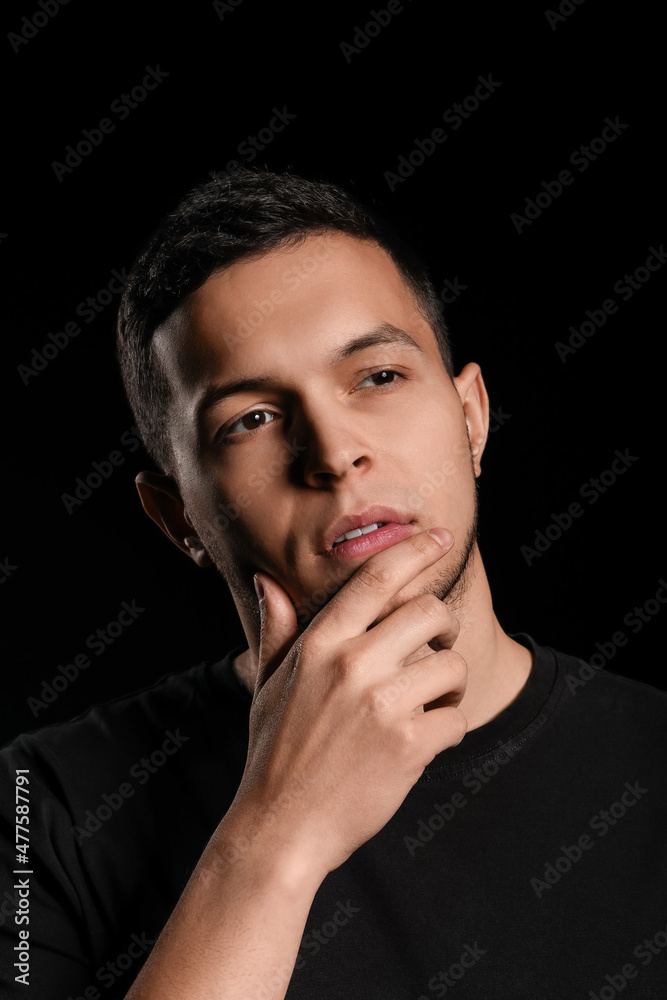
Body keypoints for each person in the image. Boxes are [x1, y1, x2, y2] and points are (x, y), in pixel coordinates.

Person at [1, 168, 666, 1000]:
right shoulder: (41, 806)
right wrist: (275, 839)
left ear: (471, 419)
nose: (331, 451)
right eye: (250, 419)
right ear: (178, 519)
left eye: (378, 376)